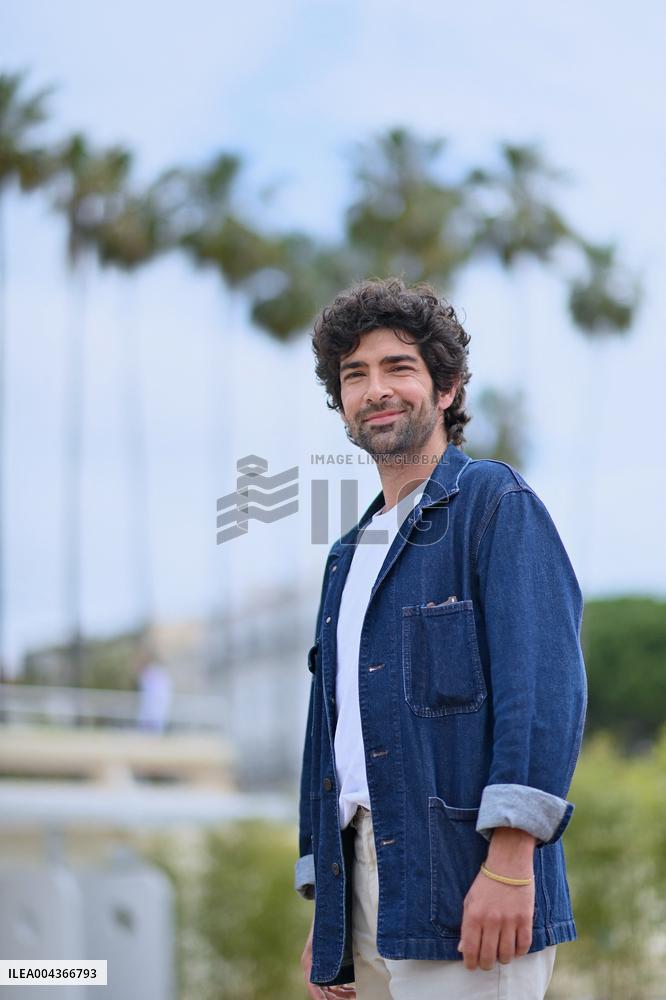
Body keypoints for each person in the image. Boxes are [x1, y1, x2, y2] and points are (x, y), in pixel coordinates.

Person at [295, 278, 587, 1000]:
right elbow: (333, 736)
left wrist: (511, 863)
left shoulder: (493, 503)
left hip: (469, 880)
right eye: (354, 374)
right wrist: (329, 911)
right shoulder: (346, 555)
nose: (375, 390)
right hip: (362, 890)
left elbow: (542, 691)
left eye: (398, 367)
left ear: (447, 387)